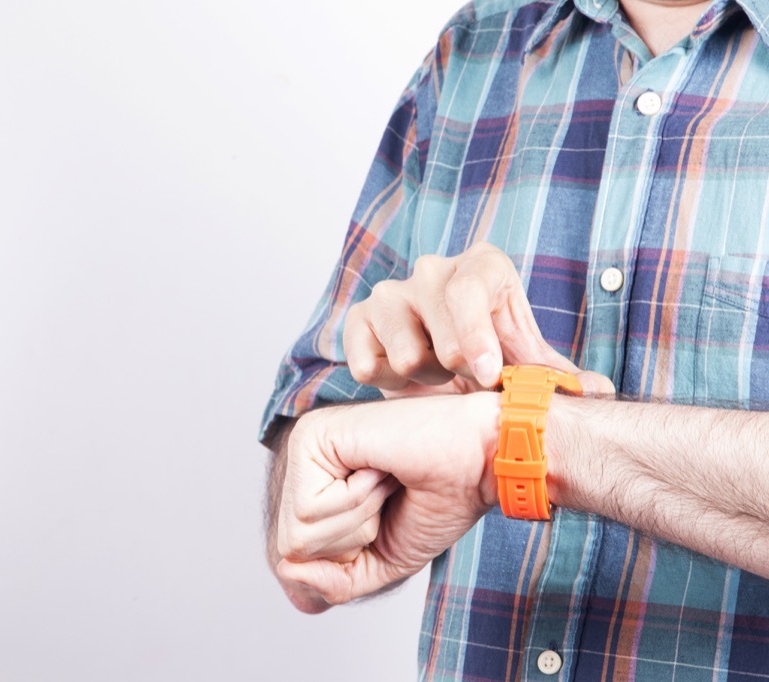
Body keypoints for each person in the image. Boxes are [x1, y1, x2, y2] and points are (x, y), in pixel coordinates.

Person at [260, 0, 769, 678]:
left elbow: (494, 438)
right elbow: (312, 452)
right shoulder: (471, 51)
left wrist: (511, 440)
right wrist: (349, 482)